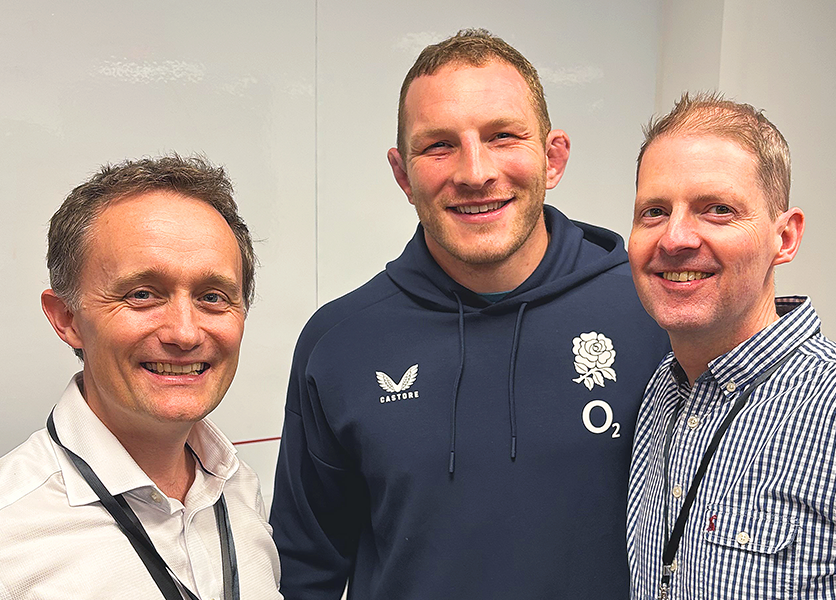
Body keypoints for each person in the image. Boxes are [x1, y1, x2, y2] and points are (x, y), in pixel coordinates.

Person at [270, 30, 670, 599]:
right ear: (403, 174)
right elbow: (304, 569)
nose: (475, 172)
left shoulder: (651, 311)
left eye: (503, 136)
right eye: (439, 146)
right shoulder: (338, 346)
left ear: (552, 157)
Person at [625, 92, 836, 599]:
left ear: (784, 238)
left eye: (718, 210)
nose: (675, 237)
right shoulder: (663, 394)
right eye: (654, 211)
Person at [0, 156, 282, 599]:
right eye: (142, 294)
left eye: (212, 297)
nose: (185, 333)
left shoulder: (238, 489)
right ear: (67, 318)